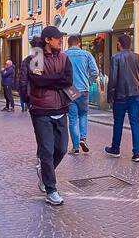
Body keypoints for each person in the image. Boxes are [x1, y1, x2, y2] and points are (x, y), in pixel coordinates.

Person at [27, 26, 73, 206]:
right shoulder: (36, 56)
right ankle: (51, 189)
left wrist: (50, 79)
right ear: (48, 40)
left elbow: (68, 80)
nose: (60, 42)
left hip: (61, 107)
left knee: (61, 148)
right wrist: (57, 78)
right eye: (58, 39)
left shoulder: (64, 57)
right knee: (46, 149)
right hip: (41, 109)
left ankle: (46, 173)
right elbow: (37, 81)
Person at [105, 33, 139, 161]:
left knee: (118, 123)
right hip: (136, 95)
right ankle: (137, 153)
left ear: (120, 44)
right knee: (135, 123)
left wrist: (110, 95)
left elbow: (113, 79)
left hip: (120, 95)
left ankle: (115, 148)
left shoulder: (116, 58)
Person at [65, 34, 99, 154]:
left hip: (70, 89)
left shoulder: (64, 55)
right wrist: (88, 82)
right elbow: (95, 72)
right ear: (79, 43)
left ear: (68, 44)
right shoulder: (87, 54)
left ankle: (75, 147)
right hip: (84, 89)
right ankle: (83, 139)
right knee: (83, 115)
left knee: (73, 118)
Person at [18, 41, 39, 112]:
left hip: (34, 96)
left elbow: (23, 81)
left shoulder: (27, 61)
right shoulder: (52, 59)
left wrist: (25, 98)